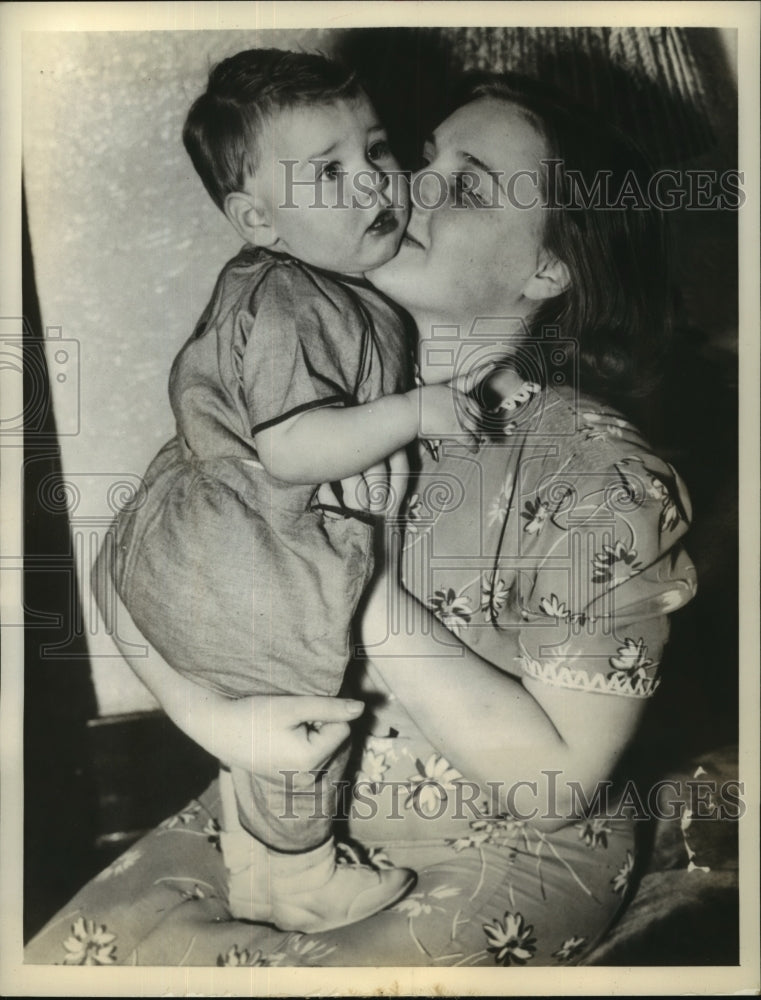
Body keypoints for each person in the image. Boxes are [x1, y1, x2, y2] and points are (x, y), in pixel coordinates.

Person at [25, 71, 697, 967]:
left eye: (462, 185)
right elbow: (133, 560)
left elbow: (554, 785)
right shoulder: (314, 377)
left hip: (507, 850)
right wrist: (219, 728)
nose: (402, 187)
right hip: (293, 826)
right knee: (64, 963)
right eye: (417, 159)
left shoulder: (602, 478)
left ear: (549, 265)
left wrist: (362, 581)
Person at [102, 47, 478, 935]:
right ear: (257, 219)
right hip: (245, 561)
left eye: (376, 151)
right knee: (301, 716)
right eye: (329, 173)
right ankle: (301, 874)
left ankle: (256, 861)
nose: (371, 184)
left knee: (260, 734)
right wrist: (415, 410)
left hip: (194, 543)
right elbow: (293, 446)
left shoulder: (307, 285)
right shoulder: (290, 301)